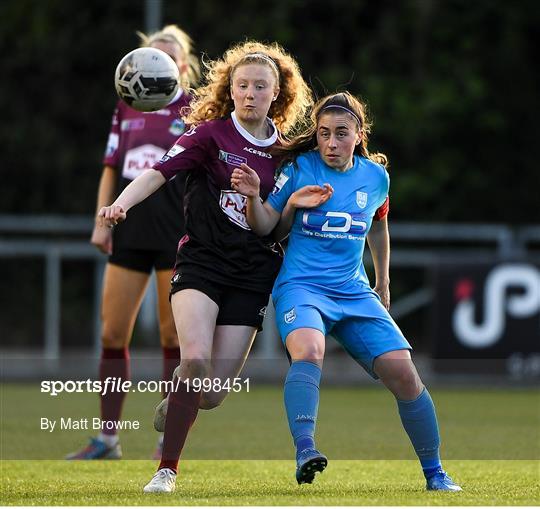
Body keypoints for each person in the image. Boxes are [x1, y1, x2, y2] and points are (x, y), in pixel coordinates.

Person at [97, 41, 313, 492]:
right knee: (194, 359)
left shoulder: (289, 156)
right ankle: (166, 470)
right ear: (229, 90)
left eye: (260, 86)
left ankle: (180, 391)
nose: (250, 93)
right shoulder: (208, 135)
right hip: (201, 263)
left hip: (253, 274)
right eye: (242, 86)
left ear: (277, 93)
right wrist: (120, 204)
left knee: (210, 394)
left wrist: (263, 199)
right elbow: (158, 172)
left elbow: (277, 228)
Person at [230, 92, 462, 491]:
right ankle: (306, 450)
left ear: (358, 134)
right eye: (323, 134)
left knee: (406, 376)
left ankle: (435, 473)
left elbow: (377, 224)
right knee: (309, 352)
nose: (331, 143)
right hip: (301, 288)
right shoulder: (300, 168)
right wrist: (254, 197)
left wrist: (383, 281)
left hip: (353, 292)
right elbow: (266, 226)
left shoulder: (376, 177)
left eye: (341, 134)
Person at [66, 25, 200, 461]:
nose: (159, 61)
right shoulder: (126, 106)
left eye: (169, 55)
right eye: (152, 54)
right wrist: (101, 221)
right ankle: (107, 438)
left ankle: (167, 436)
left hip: (175, 233)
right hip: (129, 230)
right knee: (111, 331)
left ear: (182, 65)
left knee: (170, 334)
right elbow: (112, 166)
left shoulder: (197, 110)